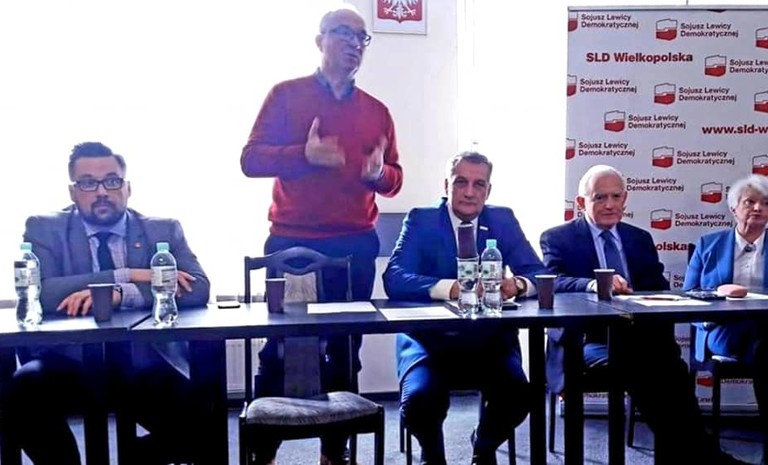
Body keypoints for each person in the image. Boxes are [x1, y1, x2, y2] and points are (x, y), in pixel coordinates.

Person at [239, 6, 402, 465]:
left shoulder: (377, 111)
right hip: (293, 246)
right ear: (319, 40)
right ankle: (263, 453)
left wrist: (378, 175)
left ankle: (335, 453)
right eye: (344, 33)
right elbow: (250, 160)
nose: (354, 44)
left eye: (362, 38)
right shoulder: (285, 95)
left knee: (346, 350)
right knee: (282, 348)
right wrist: (302, 155)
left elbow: (395, 179)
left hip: (354, 246)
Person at [1, 142, 211, 465]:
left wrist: (122, 293)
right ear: (73, 192)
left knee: (203, 424)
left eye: (112, 181)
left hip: (144, 363)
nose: (101, 192)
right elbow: (43, 292)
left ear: (128, 188)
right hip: (66, 362)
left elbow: (197, 288)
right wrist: (126, 274)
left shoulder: (162, 229)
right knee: (23, 392)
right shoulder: (44, 228)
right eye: (88, 183)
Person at [540, 164, 749, 465]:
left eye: (616, 196)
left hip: (637, 336)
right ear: (581, 202)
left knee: (669, 367)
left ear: (625, 199)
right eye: (600, 197)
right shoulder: (558, 238)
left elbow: (658, 288)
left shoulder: (639, 238)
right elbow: (554, 281)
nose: (610, 205)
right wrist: (594, 284)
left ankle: (694, 455)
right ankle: (704, 457)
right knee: (650, 366)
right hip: (587, 340)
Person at [383, 151, 544, 465]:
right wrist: (453, 288)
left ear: (488, 190)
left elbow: (539, 273)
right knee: (419, 402)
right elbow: (394, 277)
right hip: (429, 342)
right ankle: (433, 457)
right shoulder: (422, 219)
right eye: (460, 182)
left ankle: (482, 447)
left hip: (489, 342)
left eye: (478, 184)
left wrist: (517, 285)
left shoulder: (502, 219)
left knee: (519, 395)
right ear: (447, 186)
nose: (469, 192)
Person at [684, 173, 768, 465]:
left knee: (763, 345)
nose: (758, 208)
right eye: (750, 202)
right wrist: (718, 292)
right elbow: (688, 296)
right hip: (722, 329)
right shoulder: (709, 244)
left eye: (765, 203)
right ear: (733, 208)